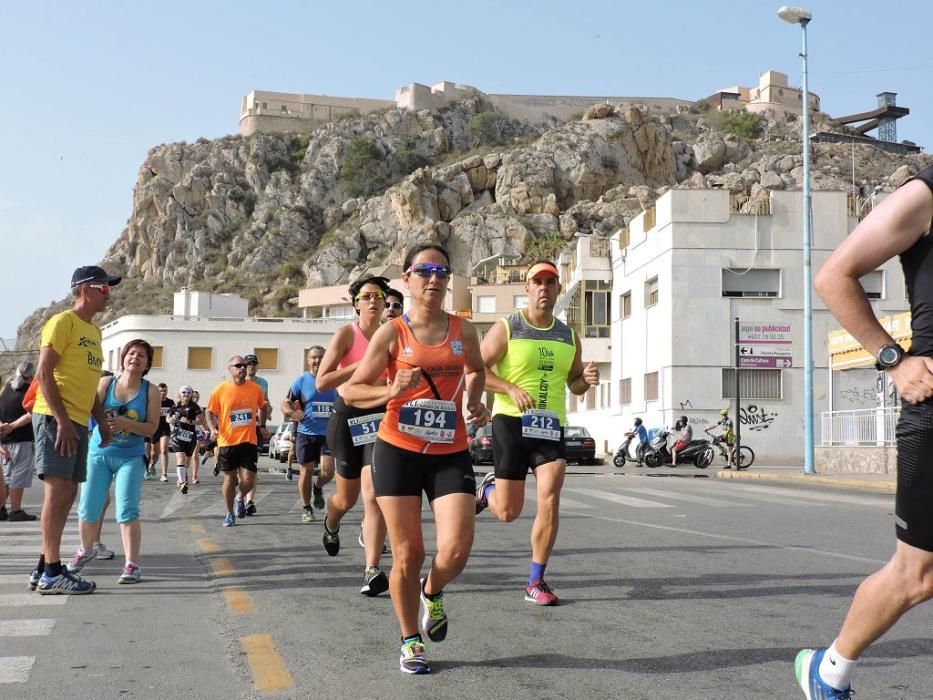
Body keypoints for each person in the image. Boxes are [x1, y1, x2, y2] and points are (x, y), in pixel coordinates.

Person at [794, 166, 933, 698]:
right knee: (918, 574)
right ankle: (827, 671)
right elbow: (834, 276)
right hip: (932, 406)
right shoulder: (924, 195)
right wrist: (893, 360)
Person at [343, 243, 488, 674]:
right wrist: (392, 391)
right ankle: (410, 641)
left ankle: (433, 590)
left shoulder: (464, 331)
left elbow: (476, 370)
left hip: (450, 450)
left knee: (458, 548)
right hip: (397, 451)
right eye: (424, 270)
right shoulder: (393, 333)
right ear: (406, 279)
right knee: (408, 553)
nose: (433, 278)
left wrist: (476, 401)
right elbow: (352, 390)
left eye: (441, 271)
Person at [476, 259, 599, 606]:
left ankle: (536, 580)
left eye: (551, 282)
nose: (544, 288)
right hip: (511, 422)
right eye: (537, 282)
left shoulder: (568, 335)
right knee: (508, 512)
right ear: (527, 289)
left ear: (558, 289)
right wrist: (509, 387)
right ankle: (488, 491)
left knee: (551, 493)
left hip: (549, 424)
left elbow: (574, 384)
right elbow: (477, 370)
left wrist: (585, 381)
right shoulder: (507, 327)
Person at [30, 265, 118, 594]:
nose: (109, 294)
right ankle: (53, 572)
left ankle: (44, 567)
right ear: (84, 289)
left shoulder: (94, 333)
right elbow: (44, 373)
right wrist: (63, 421)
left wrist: (101, 422)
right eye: (104, 288)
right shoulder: (62, 322)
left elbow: (90, 384)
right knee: (57, 494)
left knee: (67, 494)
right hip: (56, 419)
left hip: (80, 420)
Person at [316, 274, 393, 596]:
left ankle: (372, 568)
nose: (373, 301)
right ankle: (331, 523)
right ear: (356, 303)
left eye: (378, 296)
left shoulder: (394, 334)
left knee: (373, 494)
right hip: (347, 417)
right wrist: (363, 364)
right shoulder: (346, 334)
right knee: (345, 499)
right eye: (367, 296)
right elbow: (323, 382)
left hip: (379, 416)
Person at [67, 340, 160, 584]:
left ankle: (131, 565)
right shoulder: (106, 383)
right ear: (123, 358)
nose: (135, 358)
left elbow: (152, 428)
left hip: (130, 456)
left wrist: (126, 424)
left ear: (148, 363)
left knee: (127, 509)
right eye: (131, 353)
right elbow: (88, 410)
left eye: (142, 355)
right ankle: (85, 551)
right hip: (99, 453)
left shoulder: (150, 391)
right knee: (88, 506)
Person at [206, 356, 267, 527]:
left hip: (248, 441)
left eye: (245, 365)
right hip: (227, 441)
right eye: (238, 365)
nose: (243, 368)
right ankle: (229, 513)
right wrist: (212, 429)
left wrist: (262, 425)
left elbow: (263, 406)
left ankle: (240, 498)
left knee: (249, 480)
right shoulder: (220, 390)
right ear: (230, 369)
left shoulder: (255, 389)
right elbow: (209, 412)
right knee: (229, 480)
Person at [281, 346, 336, 523]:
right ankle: (306, 507)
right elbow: (285, 402)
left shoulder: (334, 381)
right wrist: (291, 413)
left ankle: (318, 487)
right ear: (308, 360)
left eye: (320, 357)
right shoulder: (301, 381)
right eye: (313, 358)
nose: (317, 361)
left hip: (328, 434)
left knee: (328, 472)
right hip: (307, 433)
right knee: (306, 470)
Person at [0, 361, 38, 521]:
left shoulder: (6, 388)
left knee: (6, 476)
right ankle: (15, 511)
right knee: (19, 476)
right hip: (22, 438)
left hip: (4, 439)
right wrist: (13, 426)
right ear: (31, 375)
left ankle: (2, 508)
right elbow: (32, 413)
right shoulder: (32, 390)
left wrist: (3, 426)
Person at [243, 354, 270, 515]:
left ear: (257, 366)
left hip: (256, 428)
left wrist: (263, 423)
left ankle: (249, 502)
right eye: (248, 364)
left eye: (253, 364)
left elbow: (264, 403)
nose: (250, 367)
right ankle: (241, 494)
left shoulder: (263, 383)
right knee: (241, 469)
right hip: (240, 429)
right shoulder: (239, 383)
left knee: (252, 466)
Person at [168, 385, 206, 492]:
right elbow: (168, 418)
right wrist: (171, 420)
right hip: (177, 436)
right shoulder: (175, 406)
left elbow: (202, 420)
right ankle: (182, 482)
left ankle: (182, 476)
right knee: (180, 458)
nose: (186, 395)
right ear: (180, 394)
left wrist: (190, 422)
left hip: (190, 436)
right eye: (184, 392)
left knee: (187, 462)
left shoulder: (195, 406)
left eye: (188, 393)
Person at [149, 383, 174, 481]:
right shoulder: (154, 401)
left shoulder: (171, 402)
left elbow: (174, 413)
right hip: (155, 428)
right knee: (154, 453)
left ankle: (164, 474)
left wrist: (172, 418)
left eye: (165, 391)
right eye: (161, 391)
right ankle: (152, 463)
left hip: (165, 428)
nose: (163, 393)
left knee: (164, 450)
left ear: (167, 391)